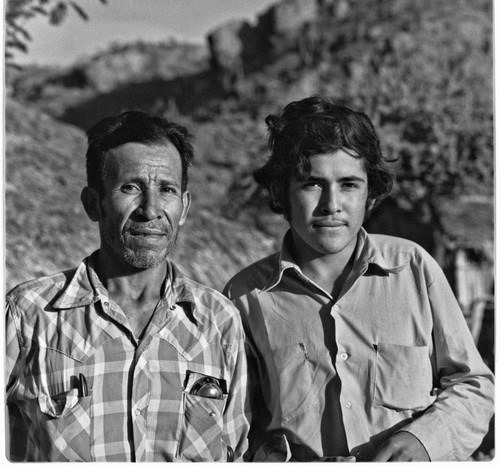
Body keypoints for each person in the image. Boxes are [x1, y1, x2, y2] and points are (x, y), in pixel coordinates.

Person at [223, 96, 494, 462]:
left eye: (349, 184)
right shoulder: (243, 298)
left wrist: (425, 441)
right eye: (312, 184)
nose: (331, 204)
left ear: (370, 192)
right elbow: (238, 425)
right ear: (280, 191)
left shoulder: (413, 268)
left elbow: (474, 384)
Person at [6, 111, 249, 462]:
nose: (150, 210)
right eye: (130, 188)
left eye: (167, 190)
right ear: (94, 204)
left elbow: (238, 452)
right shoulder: (28, 316)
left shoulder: (218, 322)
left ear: (184, 207)